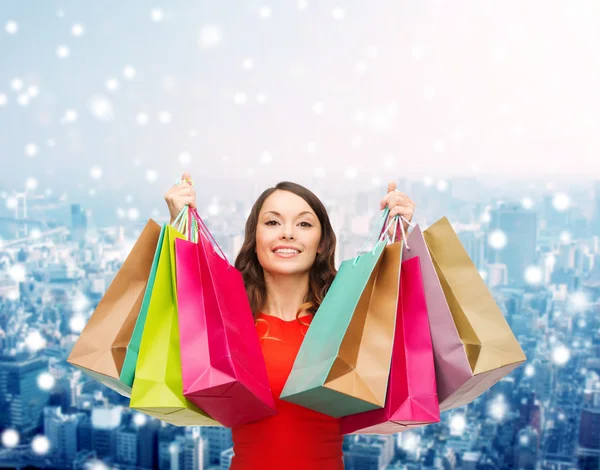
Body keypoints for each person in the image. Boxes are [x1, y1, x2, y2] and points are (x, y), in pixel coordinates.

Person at [164, 172, 415, 470]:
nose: (288, 233)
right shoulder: (230, 322)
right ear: (254, 239)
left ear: (321, 243)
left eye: (304, 224)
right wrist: (180, 224)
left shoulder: (348, 321)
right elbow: (180, 315)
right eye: (272, 222)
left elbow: (406, 349)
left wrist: (400, 243)